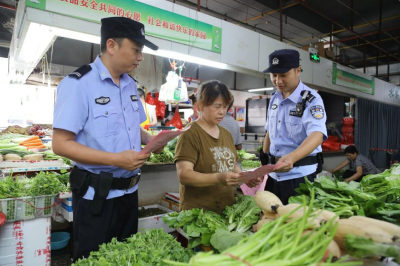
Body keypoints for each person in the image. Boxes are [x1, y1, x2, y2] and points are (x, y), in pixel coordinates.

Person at [52, 17, 163, 261]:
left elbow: (132, 128)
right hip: (97, 199)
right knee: (95, 259)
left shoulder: (131, 85)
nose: (140, 57)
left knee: (126, 258)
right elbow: (60, 144)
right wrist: (115, 159)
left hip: (129, 195)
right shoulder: (78, 84)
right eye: (136, 49)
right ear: (112, 46)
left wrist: (152, 140)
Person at [174, 80, 260, 214]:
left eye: (225, 107)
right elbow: (184, 175)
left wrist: (245, 178)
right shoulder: (190, 133)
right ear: (201, 106)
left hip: (226, 209)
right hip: (198, 213)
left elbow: (233, 165)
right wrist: (218, 178)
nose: (222, 112)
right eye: (217, 106)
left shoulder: (225, 134)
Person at [260, 49, 327, 205]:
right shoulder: (274, 98)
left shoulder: (311, 99)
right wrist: (263, 157)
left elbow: (317, 134)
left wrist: (292, 157)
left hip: (299, 177)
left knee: (295, 225)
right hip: (273, 175)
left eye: (283, 75)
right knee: (270, 220)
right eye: (274, 75)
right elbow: (270, 129)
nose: (278, 81)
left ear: (298, 71)